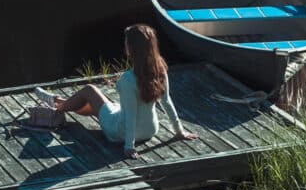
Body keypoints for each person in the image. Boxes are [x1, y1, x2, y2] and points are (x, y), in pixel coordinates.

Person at [35, 24, 198, 159]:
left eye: (126, 43)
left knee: (90, 90)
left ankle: (57, 109)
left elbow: (131, 115)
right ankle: (58, 102)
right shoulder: (160, 71)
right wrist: (179, 131)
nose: (125, 45)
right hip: (150, 130)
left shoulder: (128, 79)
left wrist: (129, 146)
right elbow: (167, 102)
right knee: (104, 106)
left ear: (132, 49)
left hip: (119, 133)